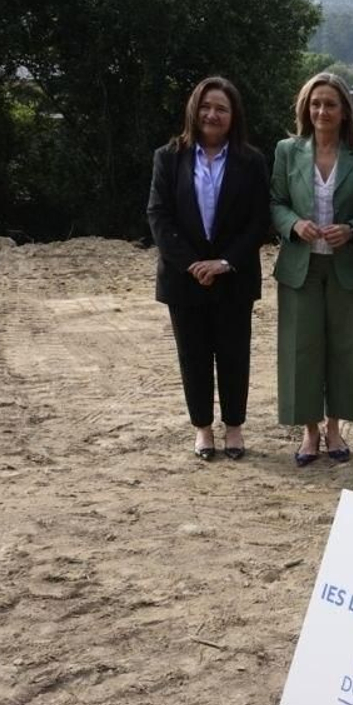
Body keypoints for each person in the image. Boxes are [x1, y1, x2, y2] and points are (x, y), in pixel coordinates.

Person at [146, 76, 269, 461]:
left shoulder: (251, 161)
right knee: (193, 356)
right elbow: (158, 215)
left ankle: (234, 427)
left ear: (234, 116)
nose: (212, 114)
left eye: (221, 108)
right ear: (194, 110)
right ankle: (203, 429)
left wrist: (225, 262)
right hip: (185, 279)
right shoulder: (168, 157)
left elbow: (259, 221)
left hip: (234, 276)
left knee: (234, 355)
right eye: (206, 107)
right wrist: (192, 264)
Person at [269, 72, 353, 466]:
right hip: (300, 267)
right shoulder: (287, 150)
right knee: (301, 350)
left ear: (344, 110)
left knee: (344, 349)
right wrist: (293, 225)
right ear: (306, 107)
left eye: (330, 104)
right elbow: (275, 203)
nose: (322, 110)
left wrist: (352, 230)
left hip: (347, 268)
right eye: (315, 103)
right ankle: (309, 433)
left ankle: (335, 429)